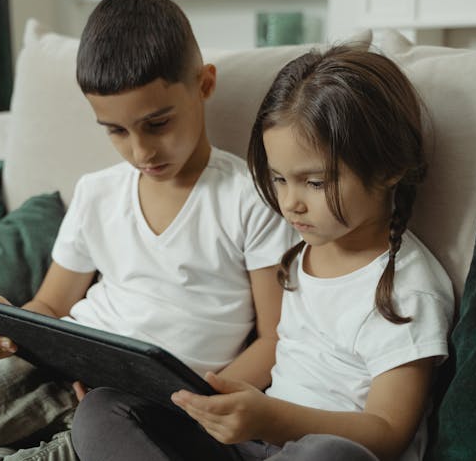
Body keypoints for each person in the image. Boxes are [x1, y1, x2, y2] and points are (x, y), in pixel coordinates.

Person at [0, 0, 294, 461]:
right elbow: (50, 303)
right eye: (115, 130)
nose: (140, 152)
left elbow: (275, 338)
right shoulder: (97, 193)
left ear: (204, 84)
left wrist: (203, 405)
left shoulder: (249, 197)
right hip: (49, 373)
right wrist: (3, 329)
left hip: (143, 412)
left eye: (158, 123)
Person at [70, 46, 456, 461]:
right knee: (105, 408)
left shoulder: (409, 290)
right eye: (278, 179)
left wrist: (271, 417)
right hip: (257, 444)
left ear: (388, 166)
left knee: (327, 454)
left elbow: (388, 432)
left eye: (314, 182)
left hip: (318, 451)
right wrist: (207, 403)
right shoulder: (303, 248)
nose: (291, 203)